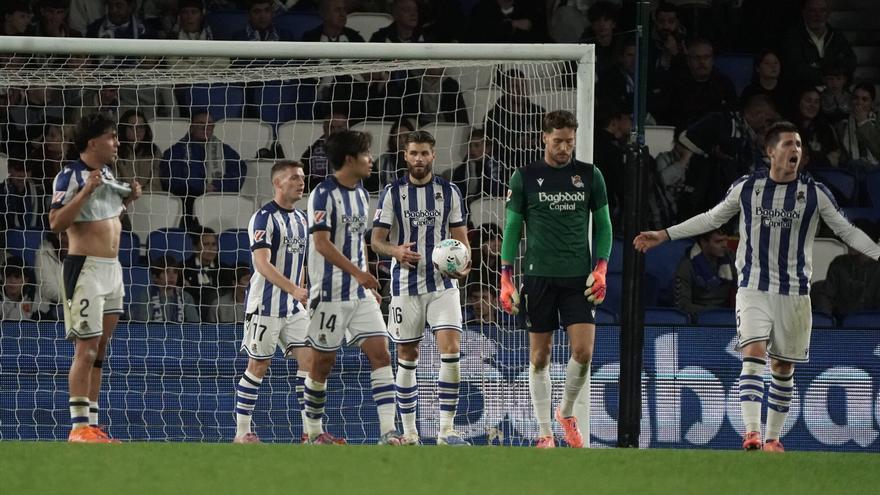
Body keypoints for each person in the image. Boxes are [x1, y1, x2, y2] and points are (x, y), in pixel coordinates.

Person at [633, 120, 880, 452]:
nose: (796, 149)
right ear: (770, 151)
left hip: (794, 293)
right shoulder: (748, 188)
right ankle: (751, 433)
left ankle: (773, 438)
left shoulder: (815, 194)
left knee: (782, 367)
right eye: (788, 144)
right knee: (753, 353)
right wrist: (664, 234)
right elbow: (712, 218)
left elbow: (847, 231)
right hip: (753, 287)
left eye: (799, 144)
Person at [499, 110, 613, 448]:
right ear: (544, 138)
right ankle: (544, 433)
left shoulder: (590, 175)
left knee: (583, 351)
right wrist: (506, 277)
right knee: (539, 357)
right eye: (558, 141)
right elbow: (512, 228)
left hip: (579, 279)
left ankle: (565, 413)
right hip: (538, 278)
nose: (564, 148)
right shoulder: (525, 177)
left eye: (569, 142)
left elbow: (605, 226)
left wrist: (601, 268)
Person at [371, 130, 471, 446]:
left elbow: (461, 240)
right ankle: (411, 433)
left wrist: (464, 265)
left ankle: (447, 431)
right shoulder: (392, 193)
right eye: (413, 153)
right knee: (407, 355)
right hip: (405, 285)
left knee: (451, 350)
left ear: (433, 155)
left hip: (443, 284)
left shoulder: (449, 191)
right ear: (405, 156)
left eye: (424, 153)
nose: (419, 159)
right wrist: (396, 251)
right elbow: (376, 241)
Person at [305, 129, 403, 445]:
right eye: (366, 154)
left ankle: (388, 431)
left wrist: (366, 280)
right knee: (323, 364)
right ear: (349, 159)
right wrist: (359, 274)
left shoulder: (361, 193)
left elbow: (358, 242)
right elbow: (321, 244)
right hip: (329, 294)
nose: (371, 160)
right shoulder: (322, 194)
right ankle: (313, 432)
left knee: (381, 354)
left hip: (359, 294)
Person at [49, 112, 142, 442]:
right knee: (85, 350)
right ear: (92, 142)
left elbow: (107, 217)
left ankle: (92, 425)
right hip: (85, 269)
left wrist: (128, 200)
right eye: (111, 137)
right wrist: (86, 191)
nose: (117, 142)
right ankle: (78, 428)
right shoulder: (70, 175)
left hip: (112, 270)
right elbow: (56, 223)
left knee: (100, 351)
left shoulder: (108, 174)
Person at [232, 160, 322, 443]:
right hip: (265, 306)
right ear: (277, 183)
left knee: (311, 361)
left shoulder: (302, 220)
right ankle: (241, 434)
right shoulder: (263, 218)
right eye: (294, 177)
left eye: (302, 177)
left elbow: (302, 263)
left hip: (293, 308)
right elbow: (262, 263)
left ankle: (310, 434)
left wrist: (301, 293)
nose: (301, 182)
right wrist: (294, 289)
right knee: (258, 367)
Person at [159, 110, 247, 218]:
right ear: (192, 127)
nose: (206, 128)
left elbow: (238, 172)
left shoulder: (225, 150)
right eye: (201, 124)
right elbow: (172, 179)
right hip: (187, 206)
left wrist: (217, 186)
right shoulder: (175, 151)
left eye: (210, 125)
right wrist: (202, 187)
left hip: (220, 202)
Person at [673, 229, 736, 318]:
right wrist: (713, 314)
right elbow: (683, 306)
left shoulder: (730, 258)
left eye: (725, 240)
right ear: (704, 242)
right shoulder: (686, 266)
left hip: (725, 317)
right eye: (718, 242)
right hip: (698, 319)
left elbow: (743, 288)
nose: (725, 245)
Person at [131, 255, 200, 323]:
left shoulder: (186, 297)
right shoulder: (146, 296)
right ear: (155, 277)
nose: (172, 276)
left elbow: (194, 326)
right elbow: (144, 325)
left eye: (175, 272)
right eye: (167, 272)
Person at [301, 108, 348, 192]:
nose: (335, 131)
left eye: (340, 127)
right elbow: (304, 180)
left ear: (347, 128)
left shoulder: (357, 150)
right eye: (331, 127)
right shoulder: (311, 153)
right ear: (324, 128)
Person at [116, 109, 162, 193]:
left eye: (141, 127)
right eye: (132, 127)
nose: (137, 130)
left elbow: (156, 183)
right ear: (124, 128)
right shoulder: (115, 150)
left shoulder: (154, 150)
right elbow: (115, 182)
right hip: (123, 196)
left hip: (149, 196)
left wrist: (141, 192)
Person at [183, 227, 222, 321]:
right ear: (195, 248)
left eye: (213, 244)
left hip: (216, 316)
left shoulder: (224, 270)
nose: (211, 249)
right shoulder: (183, 268)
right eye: (206, 244)